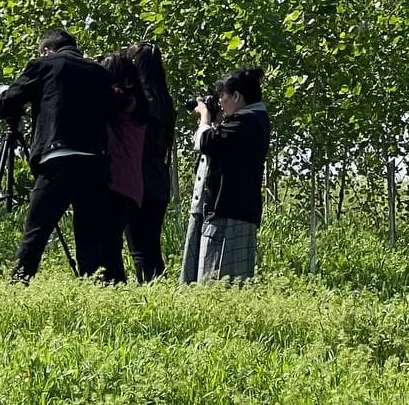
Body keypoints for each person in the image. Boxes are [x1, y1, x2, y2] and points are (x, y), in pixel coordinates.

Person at [0, 28, 111, 284]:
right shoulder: (100, 73)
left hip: (59, 159)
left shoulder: (45, 65)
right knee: (90, 237)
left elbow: (11, 101)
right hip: (96, 163)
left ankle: (17, 286)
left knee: (36, 230)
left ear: (47, 49)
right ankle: (94, 292)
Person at [180, 66, 270, 283]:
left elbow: (206, 142)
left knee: (217, 278)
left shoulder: (247, 121)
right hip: (237, 209)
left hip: (230, 211)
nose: (219, 102)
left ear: (237, 96)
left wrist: (204, 116)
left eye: (222, 96)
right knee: (226, 281)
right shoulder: (254, 120)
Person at [75, 51, 148, 283]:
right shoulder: (136, 103)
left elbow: (97, 97)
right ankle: (115, 290)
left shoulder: (119, 98)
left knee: (106, 246)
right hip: (129, 185)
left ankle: (111, 289)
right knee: (111, 244)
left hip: (115, 181)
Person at [123, 41, 176, 282]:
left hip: (138, 176)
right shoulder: (165, 101)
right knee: (151, 246)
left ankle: (149, 295)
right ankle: (158, 291)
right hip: (158, 177)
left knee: (139, 248)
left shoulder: (140, 102)